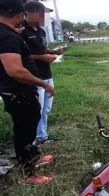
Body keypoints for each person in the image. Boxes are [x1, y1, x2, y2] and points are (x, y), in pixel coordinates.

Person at [0, 0, 55, 184]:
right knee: (24, 132)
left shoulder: (8, 34)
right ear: (18, 15)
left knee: (29, 130)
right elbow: (15, 71)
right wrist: (43, 84)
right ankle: (29, 175)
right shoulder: (7, 37)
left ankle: (32, 159)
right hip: (19, 94)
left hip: (20, 94)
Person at [21, 1, 63, 145]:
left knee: (46, 109)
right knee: (35, 110)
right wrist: (41, 57)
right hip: (33, 76)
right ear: (30, 12)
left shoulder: (41, 31)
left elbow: (42, 48)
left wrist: (52, 51)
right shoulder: (21, 31)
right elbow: (20, 56)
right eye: (42, 13)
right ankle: (30, 141)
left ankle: (42, 136)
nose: (44, 17)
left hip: (47, 74)